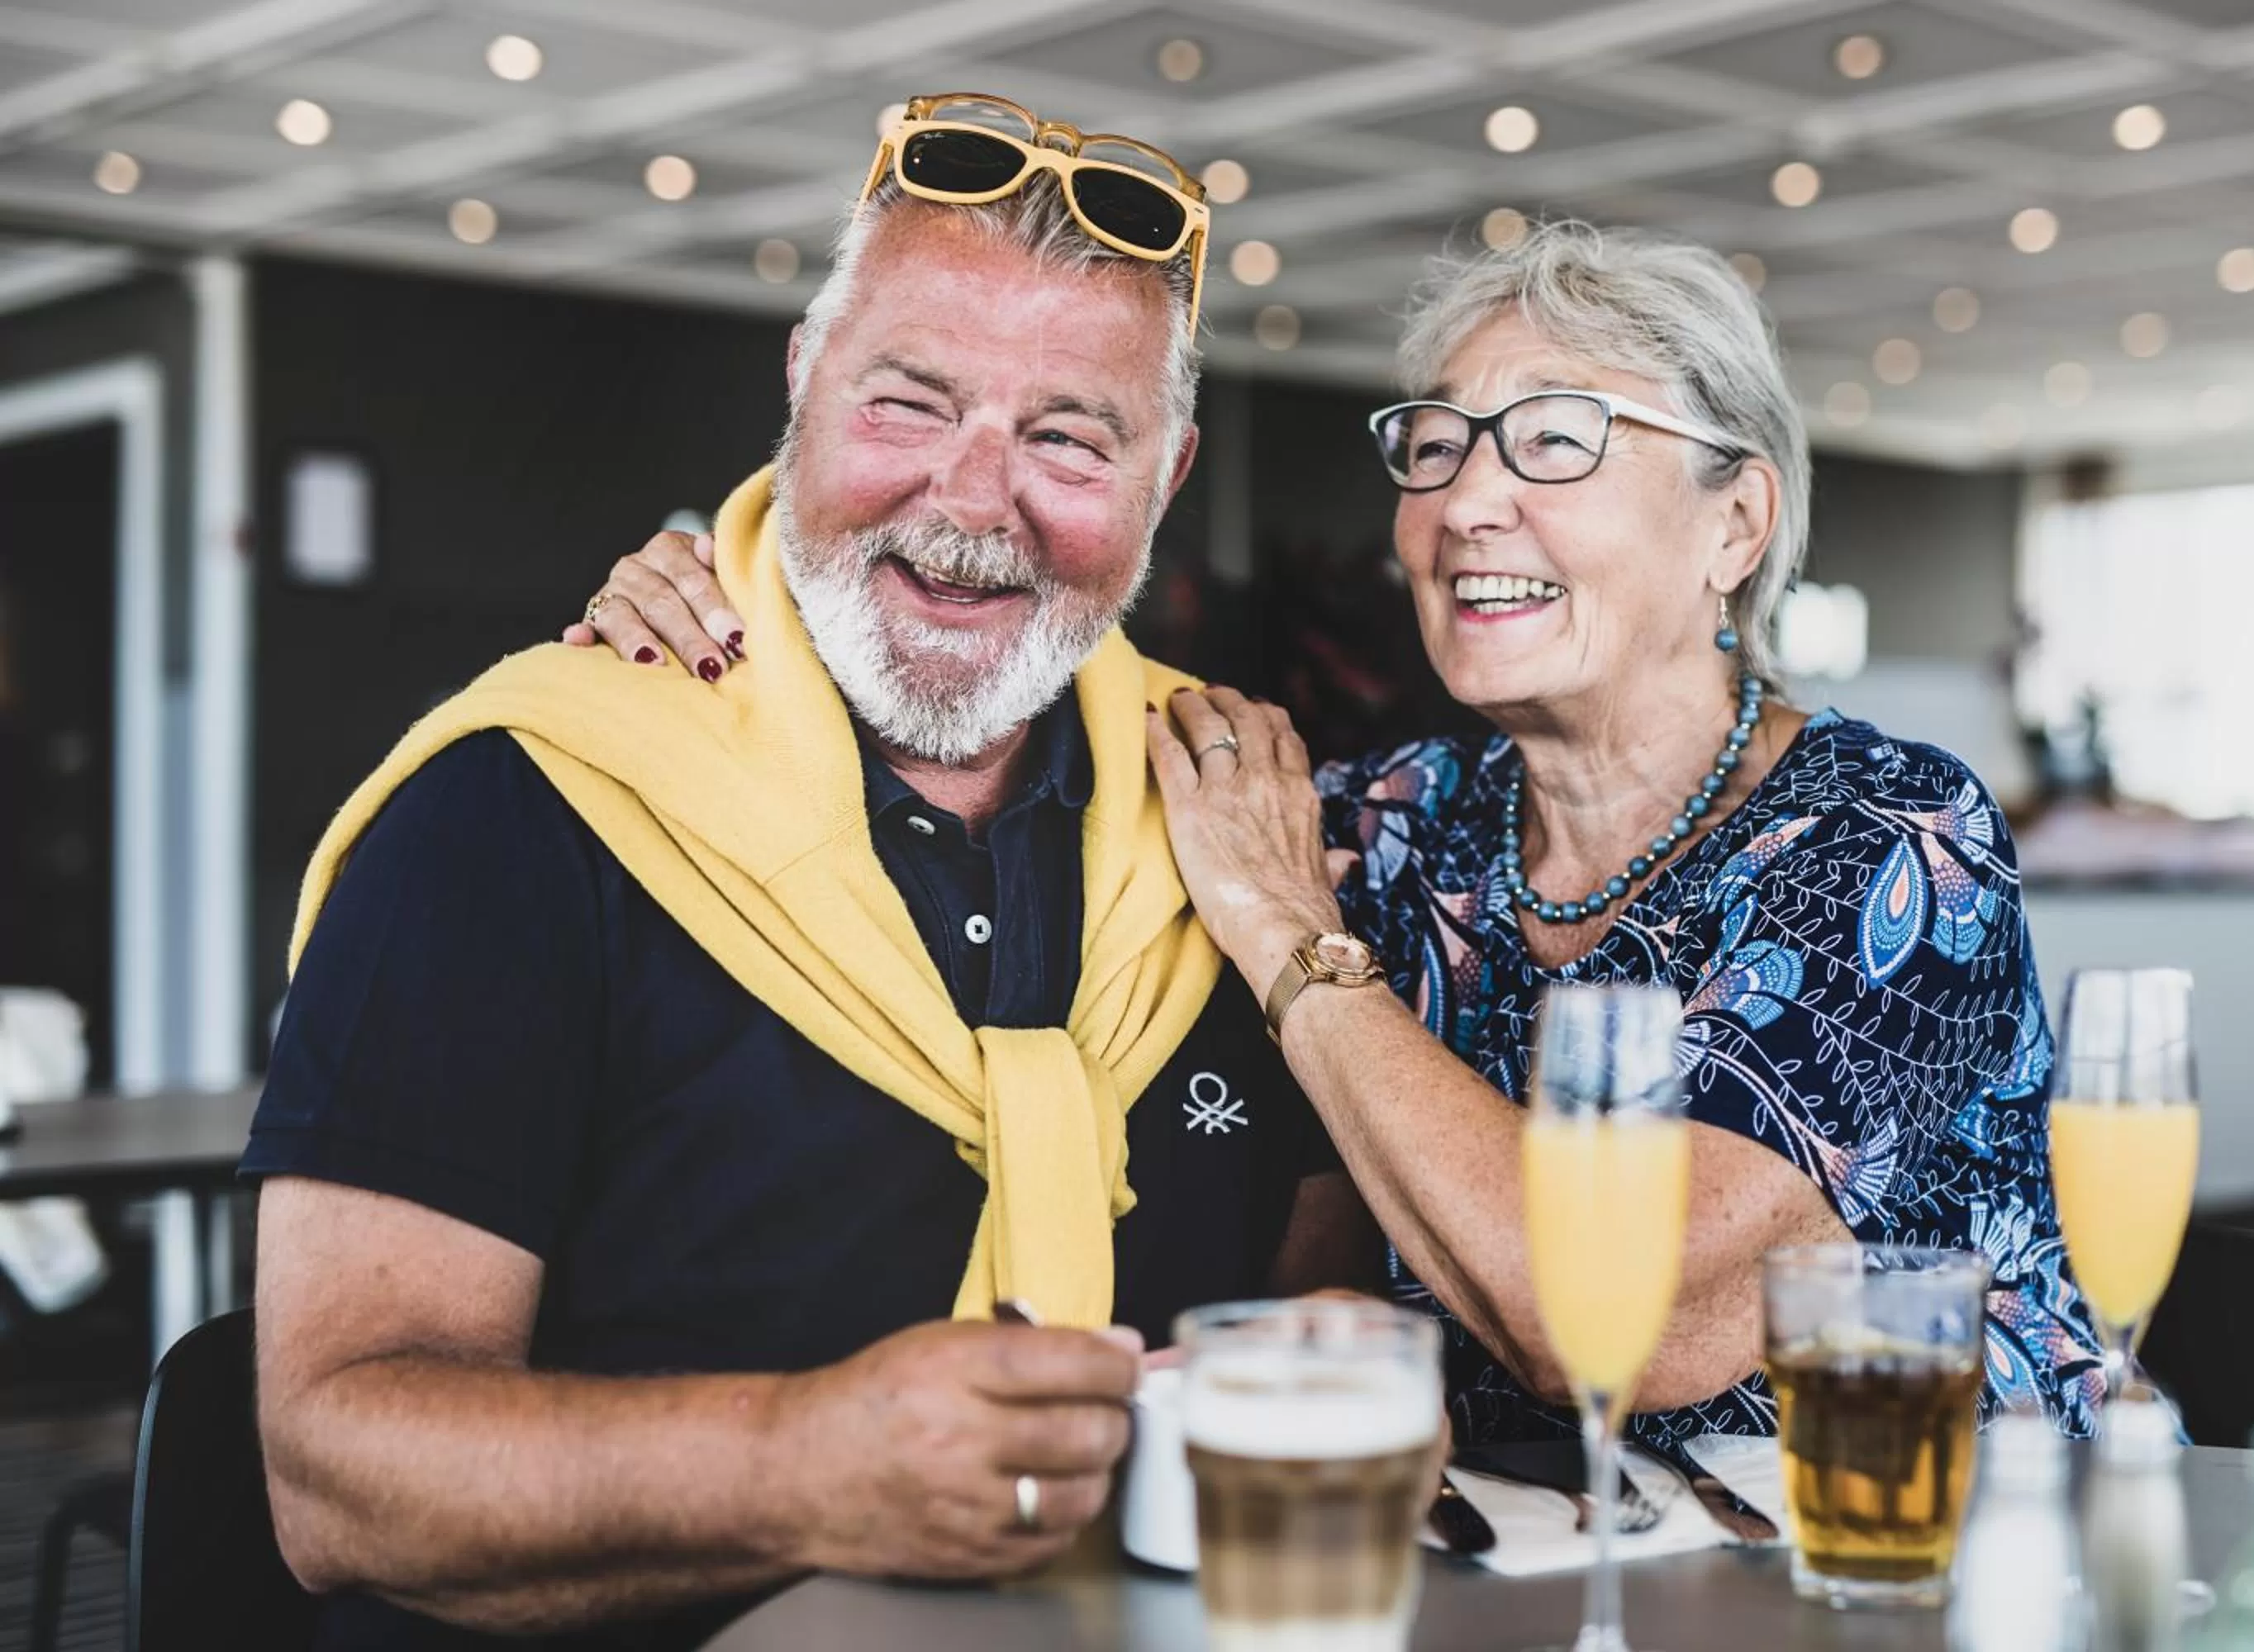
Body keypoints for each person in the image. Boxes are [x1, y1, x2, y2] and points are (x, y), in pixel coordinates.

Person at [587, 222, 2104, 1450]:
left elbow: (1625, 1319)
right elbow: (1013, 718)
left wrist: (1296, 946)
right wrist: (745, 603)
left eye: (1557, 443)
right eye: (1438, 446)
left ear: (1735, 525)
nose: (1467, 505)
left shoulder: (1889, 839)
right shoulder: (1390, 819)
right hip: (1523, 1585)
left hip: (1916, 1576)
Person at [248, 94, 1368, 1651]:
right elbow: (335, 1474)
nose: (977, 503)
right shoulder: (517, 804)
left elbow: (1311, 1309)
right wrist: (800, 1467)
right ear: (803, 381)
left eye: (1067, 437)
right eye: (910, 404)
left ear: (1167, 473)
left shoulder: (1235, 834)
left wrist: (1326, 1382)